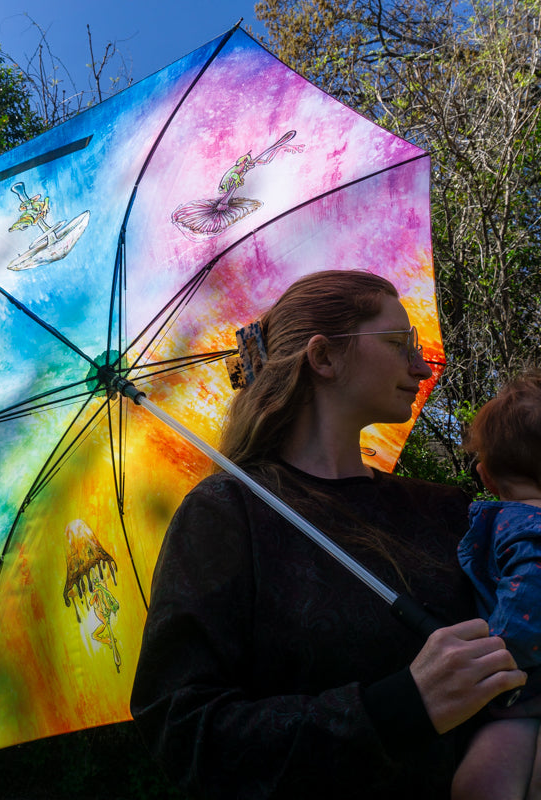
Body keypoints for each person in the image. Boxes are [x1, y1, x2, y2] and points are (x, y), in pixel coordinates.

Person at [130, 270, 526, 799]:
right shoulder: (228, 515)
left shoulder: (446, 510)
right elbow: (182, 730)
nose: (420, 364)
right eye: (396, 343)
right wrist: (398, 706)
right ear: (324, 358)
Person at [453, 371, 541, 800]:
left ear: (487, 477)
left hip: (523, 684)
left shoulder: (522, 525)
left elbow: (530, 597)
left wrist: (491, 656)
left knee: (482, 784)